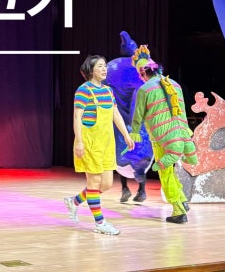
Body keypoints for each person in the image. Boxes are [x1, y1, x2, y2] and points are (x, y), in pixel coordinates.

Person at [63, 54, 135, 236]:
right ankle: (100, 223)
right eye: (100, 66)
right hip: (90, 142)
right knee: (94, 183)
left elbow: (115, 114)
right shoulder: (83, 90)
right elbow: (77, 117)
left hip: (107, 143)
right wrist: (79, 141)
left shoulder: (108, 91)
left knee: (107, 184)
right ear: (91, 70)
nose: (104, 69)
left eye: (105, 66)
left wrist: (126, 135)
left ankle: (75, 201)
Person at [130, 45, 198, 224]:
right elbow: (182, 111)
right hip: (179, 134)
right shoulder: (175, 84)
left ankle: (178, 209)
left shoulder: (145, 89)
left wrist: (135, 132)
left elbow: (138, 115)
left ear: (143, 73)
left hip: (161, 137)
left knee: (165, 172)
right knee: (170, 170)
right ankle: (181, 199)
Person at [105, 31, 153, 203]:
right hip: (137, 119)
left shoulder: (112, 66)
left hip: (118, 116)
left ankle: (125, 188)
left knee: (121, 149)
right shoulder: (140, 68)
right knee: (140, 152)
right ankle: (141, 190)